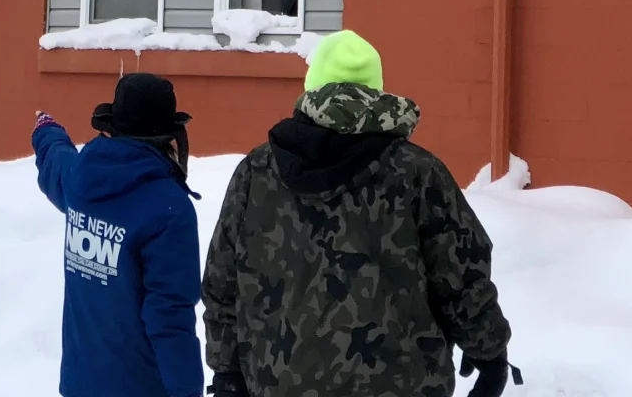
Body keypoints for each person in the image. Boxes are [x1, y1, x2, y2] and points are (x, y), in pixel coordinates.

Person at [201, 30, 515, 397]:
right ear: (376, 91)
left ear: (311, 87)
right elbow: (461, 273)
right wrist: (489, 350)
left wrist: (227, 371)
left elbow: (223, 283)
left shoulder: (257, 172)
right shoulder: (416, 172)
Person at [33, 72, 205, 397]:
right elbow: (169, 317)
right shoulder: (168, 208)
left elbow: (55, 161)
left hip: (80, 384)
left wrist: (47, 130)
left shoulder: (82, 176)